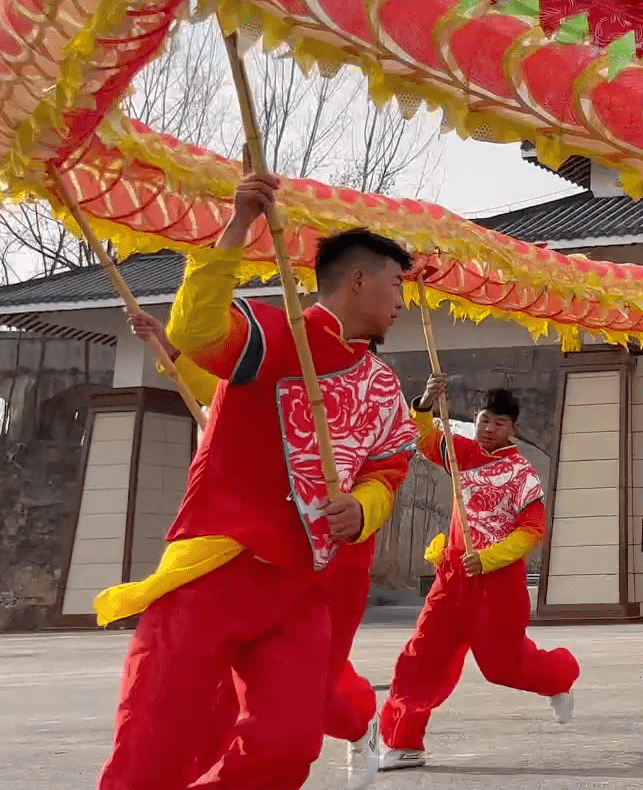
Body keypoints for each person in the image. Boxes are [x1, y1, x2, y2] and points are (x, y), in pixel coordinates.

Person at [94, 175, 419, 790]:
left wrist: (363, 508)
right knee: (155, 740)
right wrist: (240, 224)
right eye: (396, 283)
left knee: (285, 748)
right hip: (217, 565)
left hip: (304, 586)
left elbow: (387, 470)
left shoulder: (384, 388)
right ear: (358, 280)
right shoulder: (273, 333)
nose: (403, 300)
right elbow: (195, 335)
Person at [125, 308, 434, 790]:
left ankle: (359, 721)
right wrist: (175, 352)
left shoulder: (375, 394)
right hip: (260, 548)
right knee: (217, 699)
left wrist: (359, 508)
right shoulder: (283, 376)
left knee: (314, 691)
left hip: (338, 556)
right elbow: (223, 392)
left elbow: (388, 471)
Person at [377, 388, 580, 770]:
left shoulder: (522, 473)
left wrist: (487, 559)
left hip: (497, 583)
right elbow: (423, 436)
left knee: (501, 666)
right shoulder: (462, 454)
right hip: (452, 577)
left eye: (499, 423)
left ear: (513, 429)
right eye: (485, 420)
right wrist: (425, 402)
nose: (489, 429)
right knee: (421, 657)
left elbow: (532, 530)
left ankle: (559, 676)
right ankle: (404, 742)